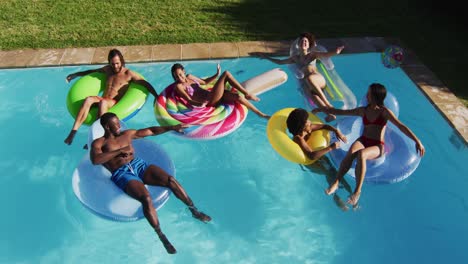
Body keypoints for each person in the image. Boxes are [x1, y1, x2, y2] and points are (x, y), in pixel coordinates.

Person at [90, 112, 211, 254]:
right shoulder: (99, 143)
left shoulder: (127, 134)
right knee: (146, 198)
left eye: (118, 122)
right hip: (122, 173)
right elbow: (96, 160)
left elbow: (151, 131)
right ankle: (161, 235)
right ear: (106, 126)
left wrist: (171, 127)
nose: (119, 125)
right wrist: (119, 151)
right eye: (115, 124)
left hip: (138, 165)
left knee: (171, 180)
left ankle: (193, 210)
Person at [313, 83, 425, 206]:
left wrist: (417, 140)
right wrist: (322, 109)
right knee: (351, 151)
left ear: (375, 97)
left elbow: (400, 126)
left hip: (378, 146)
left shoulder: (384, 112)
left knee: (361, 154)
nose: (366, 95)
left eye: (369, 93)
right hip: (364, 140)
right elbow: (339, 111)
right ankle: (336, 182)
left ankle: (357, 191)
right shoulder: (364, 110)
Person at [64, 49, 158, 145]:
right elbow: (91, 72)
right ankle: (73, 133)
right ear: (109, 62)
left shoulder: (128, 74)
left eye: (117, 63)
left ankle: (96, 138)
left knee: (103, 103)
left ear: (121, 61)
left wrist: (156, 96)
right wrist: (75, 75)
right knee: (89, 99)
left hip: (113, 102)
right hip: (103, 99)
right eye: (112, 64)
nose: (115, 66)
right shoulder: (108, 69)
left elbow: (145, 84)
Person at [255, 32, 344, 122]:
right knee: (312, 95)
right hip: (309, 84)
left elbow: (326, 54)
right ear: (298, 44)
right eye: (302, 41)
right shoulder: (295, 58)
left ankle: (329, 105)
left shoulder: (312, 54)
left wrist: (336, 52)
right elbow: (280, 62)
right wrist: (266, 57)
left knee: (309, 79)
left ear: (309, 45)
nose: (304, 42)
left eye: (306, 41)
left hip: (318, 79)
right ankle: (330, 114)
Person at [171, 63, 270, 119]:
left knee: (238, 97)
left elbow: (205, 82)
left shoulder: (190, 76)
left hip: (212, 95)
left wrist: (216, 74)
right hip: (208, 101)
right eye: (176, 76)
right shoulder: (179, 86)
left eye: (180, 74)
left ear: (184, 71)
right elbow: (188, 99)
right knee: (226, 74)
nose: (179, 78)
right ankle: (247, 94)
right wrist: (199, 105)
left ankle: (260, 114)